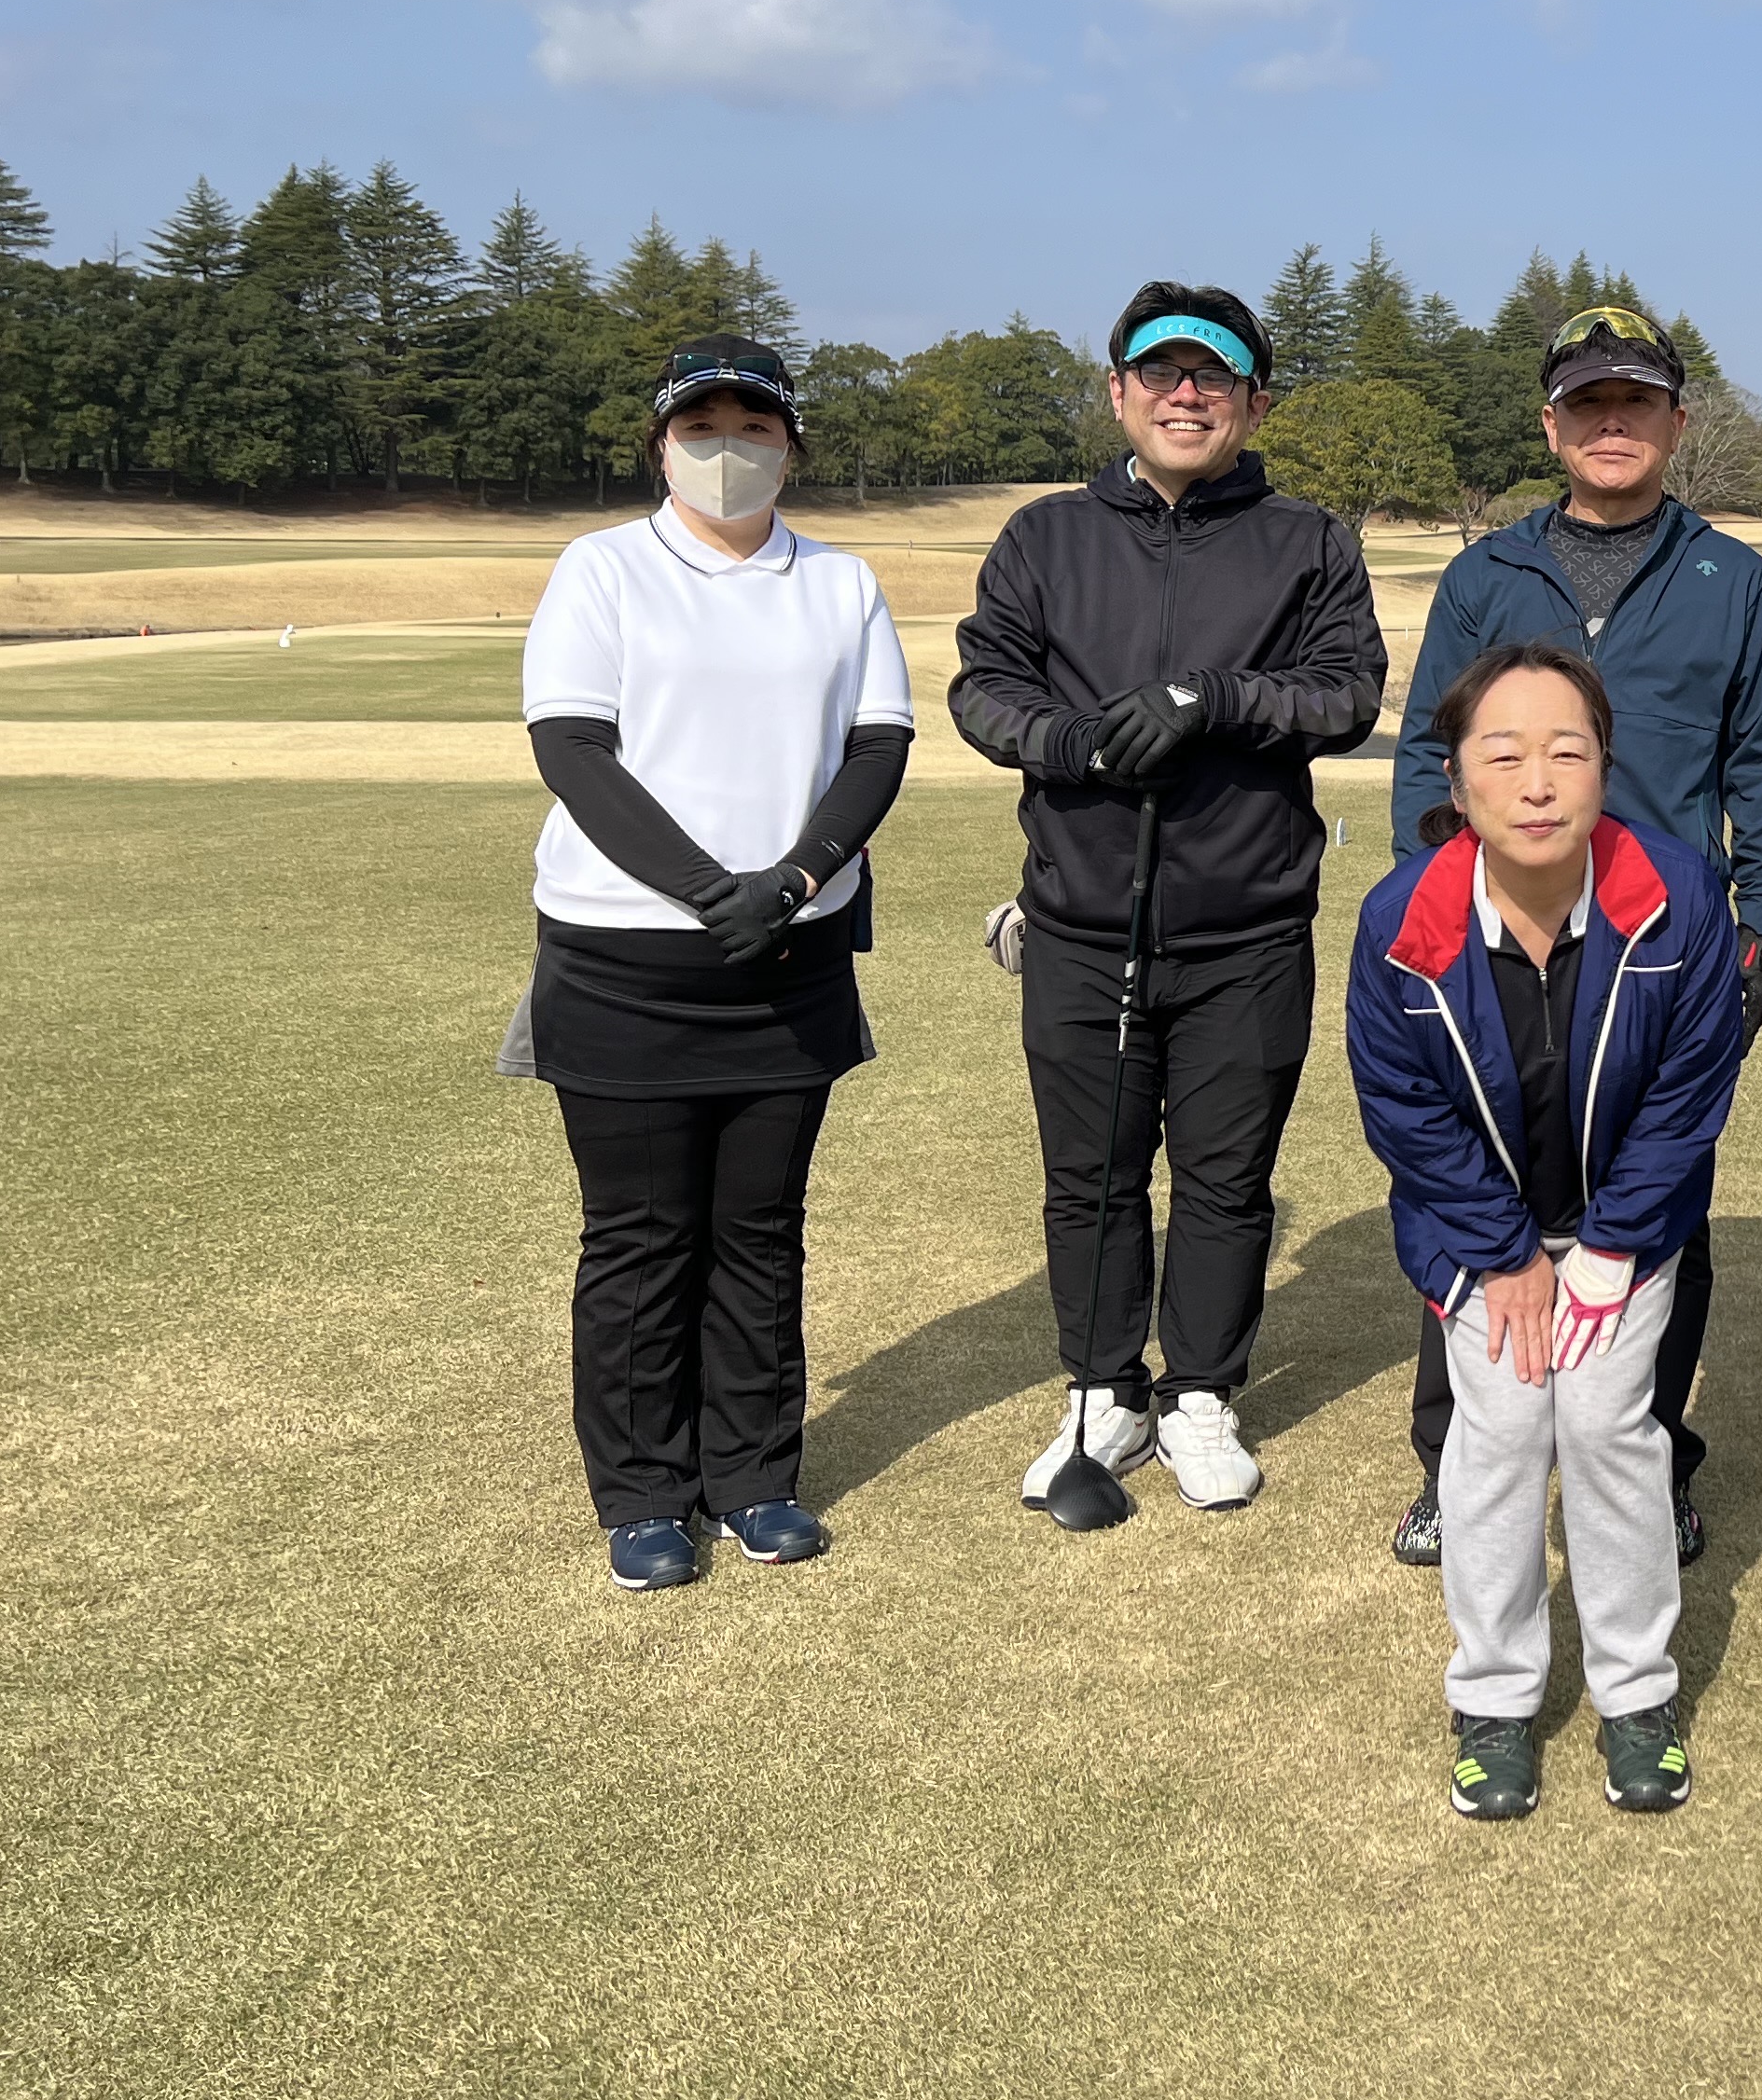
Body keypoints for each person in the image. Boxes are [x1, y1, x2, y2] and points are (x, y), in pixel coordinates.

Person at [950, 282, 1386, 1523]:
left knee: (1225, 1179)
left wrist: (1214, 699)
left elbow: (1346, 694)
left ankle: (1200, 1392)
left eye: (1213, 377)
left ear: (1254, 402)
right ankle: (1103, 1392)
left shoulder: (1308, 542)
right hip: (1083, 924)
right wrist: (1076, 742)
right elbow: (983, 690)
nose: (1185, 395)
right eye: (1160, 373)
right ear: (1119, 392)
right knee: (1088, 1178)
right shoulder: (1045, 538)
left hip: (1246, 928)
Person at [1382, 303, 1762, 1569]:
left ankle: (1650, 1462)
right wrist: (1430, 904)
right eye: (1588, 403)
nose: (1612, 424)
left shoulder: (1733, 580)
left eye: (1636, 403)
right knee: (1472, 1196)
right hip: (1497, 937)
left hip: (1667, 948)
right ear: (1551, 424)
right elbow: (1429, 752)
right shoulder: (1486, 574)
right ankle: (1457, 1465)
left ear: (1675, 423)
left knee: (1661, 1202)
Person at [517, 339, 915, 1593]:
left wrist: (791, 882)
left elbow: (877, 746)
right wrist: (704, 891)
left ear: (792, 448)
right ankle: (644, 1492)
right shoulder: (603, 569)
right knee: (641, 1236)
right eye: (702, 427)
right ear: (660, 445)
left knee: (759, 1231)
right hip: (623, 959)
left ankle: (752, 1475)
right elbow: (574, 747)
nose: (727, 448)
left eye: (755, 426)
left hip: (787, 956)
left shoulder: (839, 581)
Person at [1350, 645, 1750, 1819]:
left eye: (1567, 753)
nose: (1537, 784)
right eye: (1504, 755)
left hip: (1627, 1225)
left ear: (1604, 769)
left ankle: (1636, 1694)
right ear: (1456, 779)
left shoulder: (1679, 897)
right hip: (1481, 1236)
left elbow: (1688, 1096)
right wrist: (1509, 1256)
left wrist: (1611, 1252)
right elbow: (1404, 1112)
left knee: (1610, 1426)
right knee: (1504, 1430)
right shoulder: (1402, 919)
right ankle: (1494, 1699)